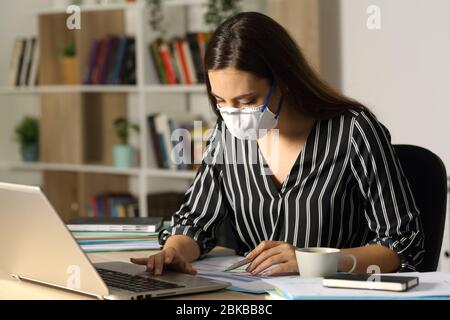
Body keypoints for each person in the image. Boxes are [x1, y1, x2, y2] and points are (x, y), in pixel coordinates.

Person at [131, 12, 424, 276]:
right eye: (221, 102)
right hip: (251, 296)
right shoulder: (227, 134)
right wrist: (173, 251)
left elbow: (402, 243)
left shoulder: (353, 130)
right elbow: (195, 222)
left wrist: (314, 261)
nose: (233, 114)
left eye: (246, 101)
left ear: (283, 80)